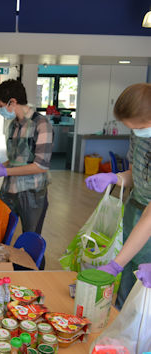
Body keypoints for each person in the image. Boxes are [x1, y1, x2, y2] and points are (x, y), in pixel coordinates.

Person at [85, 83, 151, 309]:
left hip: (148, 219)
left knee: (142, 304)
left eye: (140, 126)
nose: (136, 132)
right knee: (128, 284)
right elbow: (135, 174)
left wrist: (115, 265)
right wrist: (115, 178)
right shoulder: (140, 136)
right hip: (136, 210)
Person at [0, 79, 53, 235]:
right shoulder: (13, 125)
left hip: (32, 193)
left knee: (30, 238)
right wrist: (1, 166)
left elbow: (40, 165)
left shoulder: (41, 125)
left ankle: (33, 261)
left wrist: (5, 172)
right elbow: (17, 158)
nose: (0, 110)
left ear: (12, 102)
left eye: (1, 106)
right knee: (0, 233)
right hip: (9, 189)